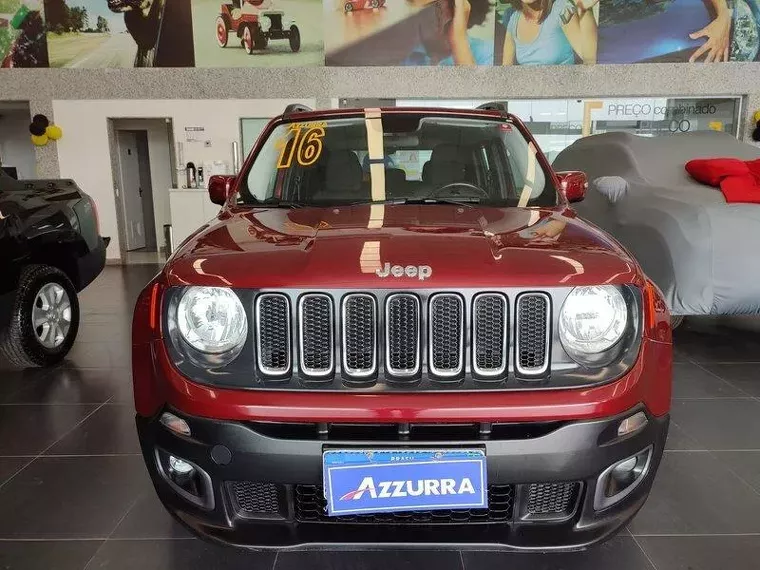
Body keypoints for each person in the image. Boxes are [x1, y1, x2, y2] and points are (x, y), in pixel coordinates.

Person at [502, 0, 597, 65]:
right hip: (528, 92)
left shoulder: (561, 9)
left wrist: (584, 10)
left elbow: (589, 58)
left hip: (562, 90)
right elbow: (506, 68)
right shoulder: (514, 19)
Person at [403, 0, 494, 65]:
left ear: (457, 7)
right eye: (410, 1)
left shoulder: (487, 53)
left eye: (432, 5)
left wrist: (458, 41)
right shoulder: (405, 54)